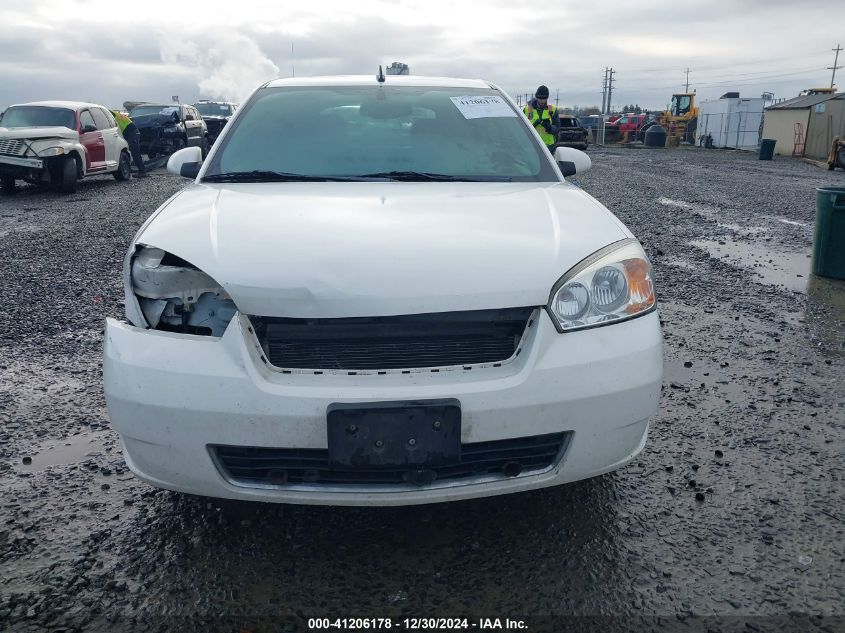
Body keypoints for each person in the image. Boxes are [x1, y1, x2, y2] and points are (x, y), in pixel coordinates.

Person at [523, 85, 559, 152]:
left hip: (549, 147)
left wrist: (549, 128)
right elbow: (522, 128)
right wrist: (534, 125)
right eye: (540, 98)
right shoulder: (526, 110)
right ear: (536, 97)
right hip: (531, 145)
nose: (542, 101)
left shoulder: (553, 110)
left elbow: (557, 128)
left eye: (544, 99)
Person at [111, 110, 147, 177]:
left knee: (135, 153)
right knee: (135, 153)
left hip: (132, 134)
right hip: (133, 133)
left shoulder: (112, 116)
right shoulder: (116, 114)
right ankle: (141, 170)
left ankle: (142, 171)